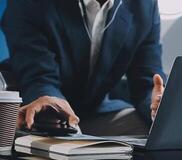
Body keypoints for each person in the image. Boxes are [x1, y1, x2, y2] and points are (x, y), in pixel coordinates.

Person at [2, 0, 166, 135]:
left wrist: (160, 105)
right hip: (37, 110)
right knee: (64, 137)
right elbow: (39, 78)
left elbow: (147, 84)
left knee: (155, 131)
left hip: (96, 111)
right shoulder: (28, 4)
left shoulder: (145, 6)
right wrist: (53, 107)